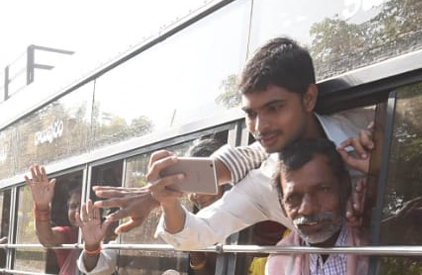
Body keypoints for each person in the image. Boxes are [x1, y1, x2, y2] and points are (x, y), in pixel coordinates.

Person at [140, 38, 374, 251]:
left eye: (274, 108)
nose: (260, 127)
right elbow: (197, 234)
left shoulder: (366, 129)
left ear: (308, 98)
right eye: (251, 114)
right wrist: (168, 203)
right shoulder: (263, 183)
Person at [262, 139, 366, 275]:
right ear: (283, 207)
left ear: (344, 188)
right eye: (293, 198)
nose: (307, 209)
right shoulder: (278, 264)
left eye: (322, 189)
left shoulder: (371, 244)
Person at [23, 169, 118, 275]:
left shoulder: (110, 234)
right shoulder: (69, 234)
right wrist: (42, 207)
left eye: (84, 206)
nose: (78, 211)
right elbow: (46, 238)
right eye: (73, 206)